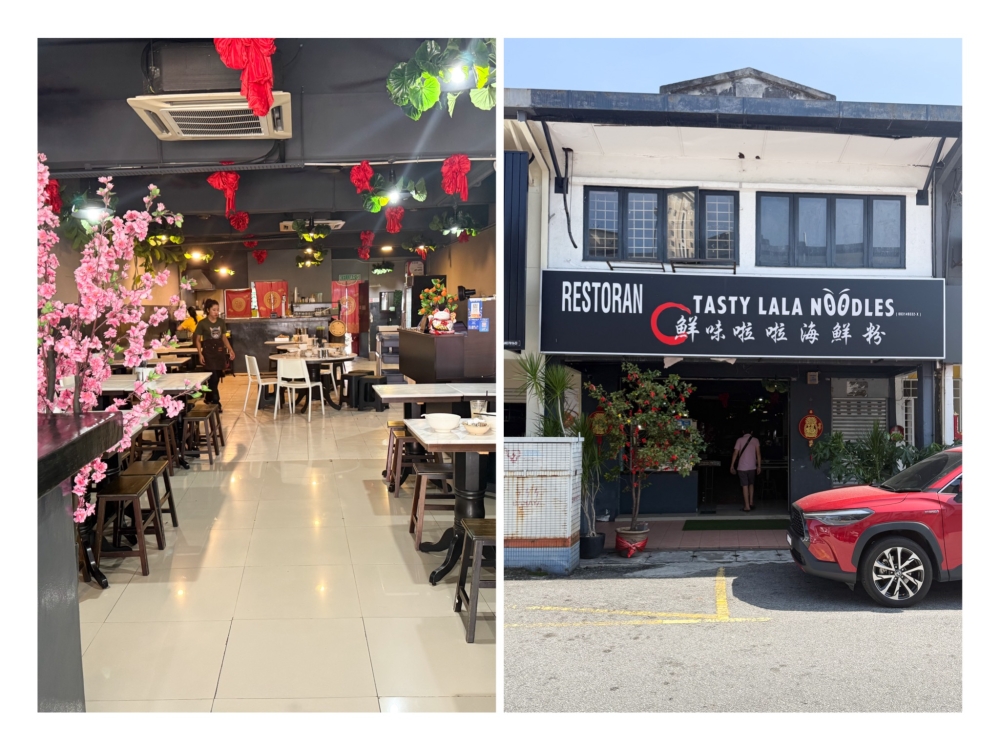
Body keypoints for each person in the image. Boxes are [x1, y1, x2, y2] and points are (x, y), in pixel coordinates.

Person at [193, 299, 235, 409]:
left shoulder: (221, 322)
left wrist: (230, 350)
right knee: (213, 378)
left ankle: (208, 396)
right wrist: (200, 354)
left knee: (215, 377)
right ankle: (216, 402)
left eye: (217, 310)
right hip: (208, 353)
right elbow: (197, 339)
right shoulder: (202, 323)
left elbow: (224, 337)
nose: (216, 312)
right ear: (208, 310)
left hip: (219, 352)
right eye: (214, 310)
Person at [730, 428, 762, 512]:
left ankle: (747, 506)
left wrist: (732, 465)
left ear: (743, 432)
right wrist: (759, 466)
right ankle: (751, 502)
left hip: (742, 467)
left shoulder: (739, 440)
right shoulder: (756, 440)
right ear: (752, 432)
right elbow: (758, 454)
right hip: (752, 467)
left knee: (745, 486)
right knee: (751, 484)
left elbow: (735, 453)